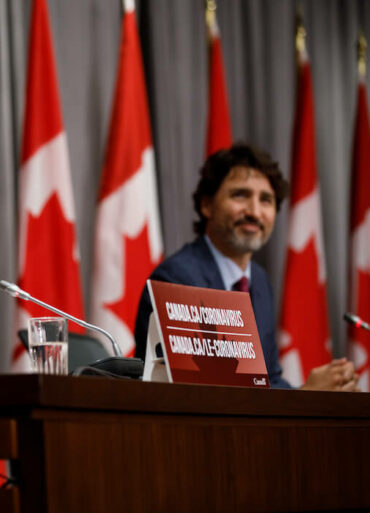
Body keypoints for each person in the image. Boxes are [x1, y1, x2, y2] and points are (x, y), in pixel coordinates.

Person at [134, 143, 358, 391]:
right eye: (240, 195)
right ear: (207, 205)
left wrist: (321, 391)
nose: (254, 211)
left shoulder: (259, 281)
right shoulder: (177, 279)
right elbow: (209, 391)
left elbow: (267, 380)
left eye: (266, 200)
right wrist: (307, 394)